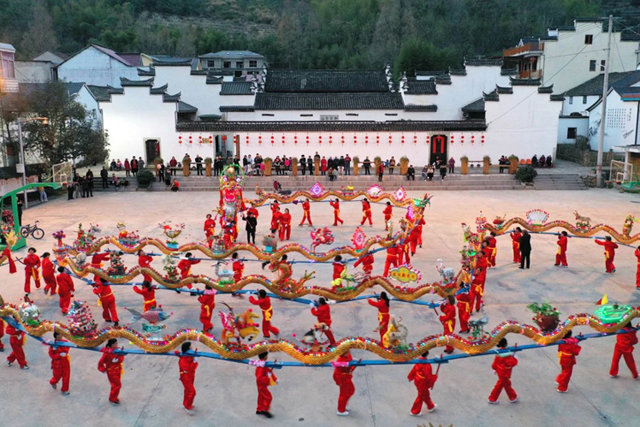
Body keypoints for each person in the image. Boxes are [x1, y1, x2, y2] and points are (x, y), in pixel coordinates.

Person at [488, 338, 518, 404]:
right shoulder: (506, 354)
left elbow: (495, 361)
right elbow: (511, 363)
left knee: (507, 384)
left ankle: (513, 397)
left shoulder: (499, 352)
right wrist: (515, 357)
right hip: (505, 372)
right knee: (499, 386)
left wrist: (494, 368)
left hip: (500, 371)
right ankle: (492, 398)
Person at [407, 350, 438, 416]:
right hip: (423, 383)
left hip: (418, 380)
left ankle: (431, 406)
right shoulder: (427, 364)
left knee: (425, 394)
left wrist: (410, 377)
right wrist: (435, 377)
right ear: (427, 354)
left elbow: (414, 370)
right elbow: (428, 376)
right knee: (421, 397)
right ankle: (414, 411)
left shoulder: (418, 361)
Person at [98, 338, 125, 405]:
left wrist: (120, 356)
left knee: (116, 385)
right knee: (117, 385)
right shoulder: (107, 353)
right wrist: (103, 369)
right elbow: (101, 362)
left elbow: (121, 358)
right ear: (112, 344)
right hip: (111, 371)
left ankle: (114, 397)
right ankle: (112, 399)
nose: (117, 344)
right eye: (116, 343)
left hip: (118, 369)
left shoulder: (117, 350)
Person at [176, 342, 199, 415]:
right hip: (186, 377)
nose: (192, 347)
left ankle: (186, 403)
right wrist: (195, 361)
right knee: (192, 392)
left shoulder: (188, 355)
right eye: (190, 346)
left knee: (188, 391)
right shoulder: (183, 360)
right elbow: (187, 369)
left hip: (190, 376)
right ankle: (187, 406)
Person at [332, 350, 356, 416]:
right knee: (343, 395)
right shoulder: (340, 361)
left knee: (351, 391)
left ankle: (344, 404)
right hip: (343, 379)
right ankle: (341, 410)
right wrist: (339, 382)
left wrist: (352, 368)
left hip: (348, 377)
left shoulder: (348, 355)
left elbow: (351, 364)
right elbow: (335, 373)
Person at [254, 352, 276, 418]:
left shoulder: (261, 363)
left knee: (261, 396)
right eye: (266, 355)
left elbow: (268, 370)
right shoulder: (261, 366)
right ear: (264, 357)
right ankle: (265, 410)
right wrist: (267, 377)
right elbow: (259, 378)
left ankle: (259, 409)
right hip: (261, 385)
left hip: (260, 385)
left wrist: (274, 378)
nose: (267, 356)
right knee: (269, 397)